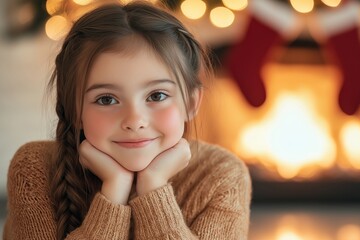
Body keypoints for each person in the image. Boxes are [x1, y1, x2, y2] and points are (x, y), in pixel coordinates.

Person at [3, 1, 251, 239]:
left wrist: (153, 189)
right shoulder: (34, 169)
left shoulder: (222, 175)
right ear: (74, 110)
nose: (134, 120)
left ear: (191, 103)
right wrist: (113, 193)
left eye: (157, 95)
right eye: (107, 100)